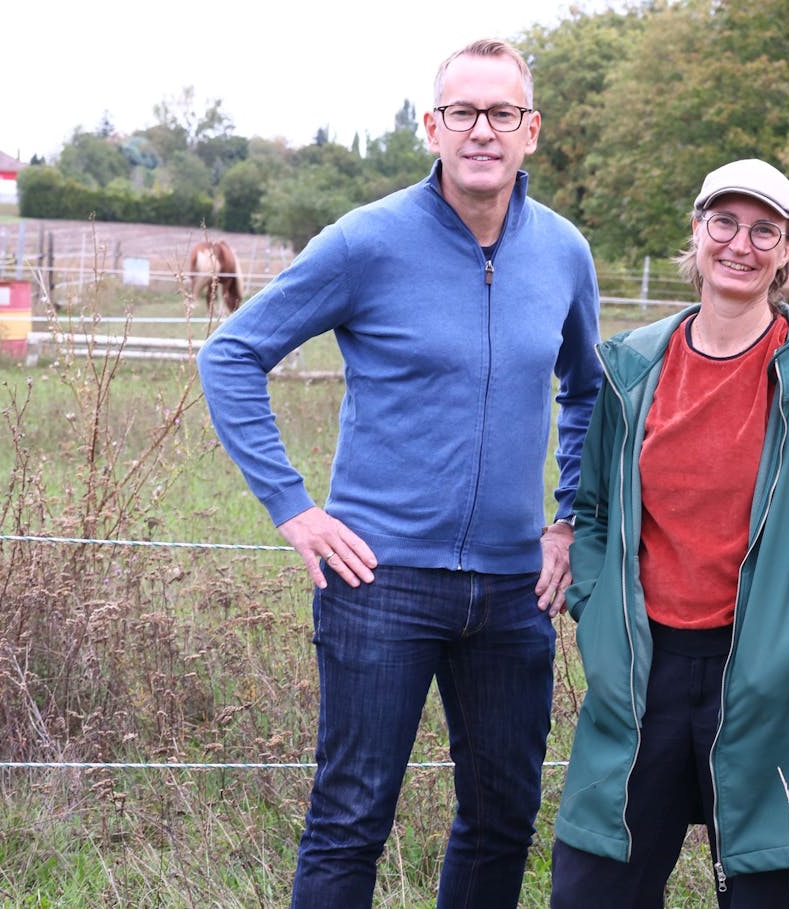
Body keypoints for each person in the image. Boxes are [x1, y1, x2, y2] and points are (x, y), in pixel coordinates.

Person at [195, 39, 602, 909]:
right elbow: (231, 354)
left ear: (532, 130)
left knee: (502, 819)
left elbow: (587, 393)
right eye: (464, 112)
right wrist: (295, 509)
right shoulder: (366, 242)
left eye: (502, 114)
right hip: (378, 579)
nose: (482, 131)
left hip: (510, 589)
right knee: (350, 819)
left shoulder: (565, 253)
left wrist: (568, 517)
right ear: (433, 125)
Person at [549, 159, 789, 909]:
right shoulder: (633, 366)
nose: (742, 243)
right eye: (724, 223)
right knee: (593, 891)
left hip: (760, 668)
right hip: (642, 669)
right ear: (696, 232)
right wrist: (596, 606)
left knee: (757, 895)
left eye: (766, 229)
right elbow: (594, 511)